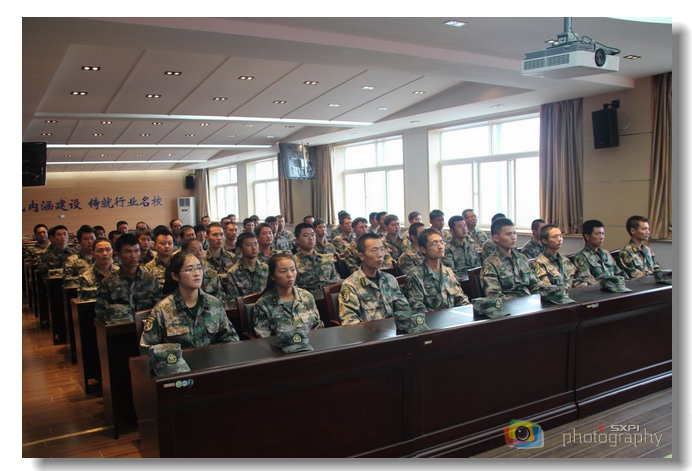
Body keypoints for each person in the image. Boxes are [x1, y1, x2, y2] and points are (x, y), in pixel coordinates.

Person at [140, 251, 239, 352]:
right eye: (189, 269)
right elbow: (147, 349)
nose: (197, 273)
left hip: (212, 360)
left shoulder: (214, 304)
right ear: (175, 276)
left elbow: (231, 338)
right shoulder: (162, 310)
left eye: (199, 268)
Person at [339, 233, 411, 325]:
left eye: (382, 249)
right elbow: (349, 322)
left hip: (394, 330)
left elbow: (405, 310)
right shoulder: (350, 285)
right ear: (361, 256)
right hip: (367, 333)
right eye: (374, 250)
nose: (380, 255)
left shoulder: (390, 279)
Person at [252, 253, 324, 338]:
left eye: (293, 270)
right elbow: (264, 339)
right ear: (272, 276)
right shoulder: (263, 304)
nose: (290, 275)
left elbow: (317, 326)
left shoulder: (307, 297)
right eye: (283, 271)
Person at [95, 233, 161, 322]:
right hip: (119, 327)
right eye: (128, 252)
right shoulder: (108, 282)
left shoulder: (151, 279)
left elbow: (158, 309)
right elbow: (101, 313)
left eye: (136, 251)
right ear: (118, 254)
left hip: (146, 326)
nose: (133, 256)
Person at [405, 228, 470, 313]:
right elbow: (417, 308)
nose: (440, 247)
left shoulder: (448, 271)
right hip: (431, 319)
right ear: (423, 249)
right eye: (434, 244)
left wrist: (468, 311)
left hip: (453, 317)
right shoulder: (415, 276)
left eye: (442, 242)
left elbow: (461, 298)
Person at [480, 218, 541, 300]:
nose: (513, 237)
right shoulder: (490, 264)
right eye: (508, 234)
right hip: (509, 304)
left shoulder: (521, 258)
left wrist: (538, 299)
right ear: (496, 238)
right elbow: (494, 296)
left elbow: (535, 285)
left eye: (514, 233)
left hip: (529, 301)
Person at [532, 225, 586, 289]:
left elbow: (577, 280)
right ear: (545, 241)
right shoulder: (539, 263)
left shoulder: (565, 260)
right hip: (557, 295)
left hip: (573, 294)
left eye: (560, 236)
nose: (560, 239)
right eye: (555, 237)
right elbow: (546, 288)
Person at [573, 219, 626, 285]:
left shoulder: (606, 253)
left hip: (615, 287)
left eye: (603, 234)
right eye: (598, 234)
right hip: (599, 289)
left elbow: (618, 272)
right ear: (587, 236)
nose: (601, 237)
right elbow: (587, 280)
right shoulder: (581, 257)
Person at [293, 222, 341, 292]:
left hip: (328, 296)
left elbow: (336, 280)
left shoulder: (326, 259)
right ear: (297, 240)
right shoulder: (293, 262)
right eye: (306, 235)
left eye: (313, 235)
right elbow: (292, 287)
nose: (311, 238)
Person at [181, 238, 227, 303]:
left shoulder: (212, 274)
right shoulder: (183, 274)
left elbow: (220, 299)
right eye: (193, 250)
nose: (199, 253)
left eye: (200, 249)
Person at [226, 232, 270, 300]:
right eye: (249, 245)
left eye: (256, 244)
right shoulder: (233, 272)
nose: (254, 248)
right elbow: (233, 300)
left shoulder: (266, 268)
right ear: (240, 249)